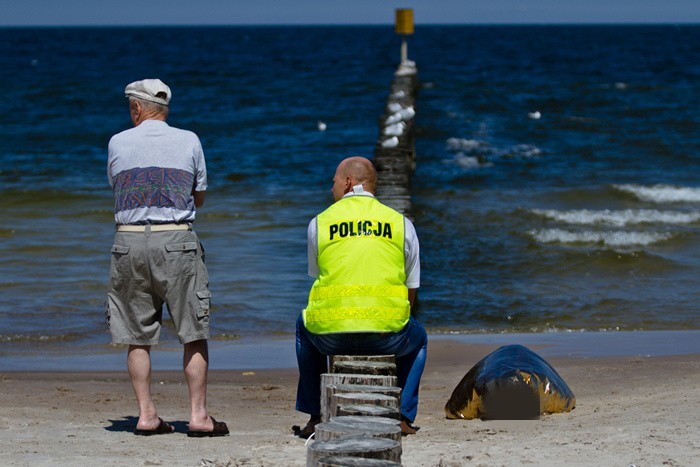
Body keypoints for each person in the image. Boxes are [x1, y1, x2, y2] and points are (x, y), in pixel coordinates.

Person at [105, 79, 228, 437]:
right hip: (176, 239)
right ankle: (199, 416)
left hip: (128, 241)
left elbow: (118, 188)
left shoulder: (117, 142)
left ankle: (146, 415)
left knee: (137, 335)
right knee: (193, 331)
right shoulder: (189, 139)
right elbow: (199, 197)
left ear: (136, 109)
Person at [294, 156, 428, 437]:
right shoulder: (401, 224)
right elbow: (411, 288)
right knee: (419, 339)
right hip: (386, 335)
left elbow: (318, 274)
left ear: (347, 182)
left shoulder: (319, 223)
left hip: (330, 336)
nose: (331, 189)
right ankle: (403, 416)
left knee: (302, 327)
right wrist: (393, 320)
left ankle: (315, 415)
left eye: (333, 183)